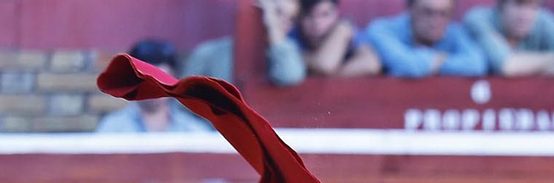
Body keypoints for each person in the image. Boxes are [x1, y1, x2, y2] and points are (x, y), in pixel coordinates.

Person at [97, 39, 216, 132]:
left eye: (161, 80)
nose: (154, 89)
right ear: (133, 81)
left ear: (174, 79)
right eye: (147, 81)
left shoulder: (194, 131)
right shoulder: (111, 129)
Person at [181, 0, 309, 85]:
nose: (284, 23)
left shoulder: (288, 49)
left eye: (291, 18)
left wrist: (272, 26)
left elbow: (289, 76)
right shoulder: (208, 52)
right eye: (277, 13)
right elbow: (182, 104)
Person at [462, 0, 554, 77]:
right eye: (519, 4)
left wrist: (528, 68)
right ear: (501, 5)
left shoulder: (543, 20)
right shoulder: (479, 19)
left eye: (533, 7)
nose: (525, 15)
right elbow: (508, 67)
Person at [363, 0, 488, 78]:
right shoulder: (382, 30)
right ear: (410, 8)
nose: (435, 21)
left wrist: (427, 62)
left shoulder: (455, 32)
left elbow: (477, 64)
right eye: (428, 12)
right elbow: (409, 67)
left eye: (443, 14)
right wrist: (439, 58)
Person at [294, 0, 382, 77]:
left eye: (325, 14)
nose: (317, 23)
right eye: (309, 15)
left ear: (336, 13)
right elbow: (325, 65)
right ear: (298, 15)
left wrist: (342, 30)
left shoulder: (345, 29)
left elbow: (371, 64)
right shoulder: (290, 36)